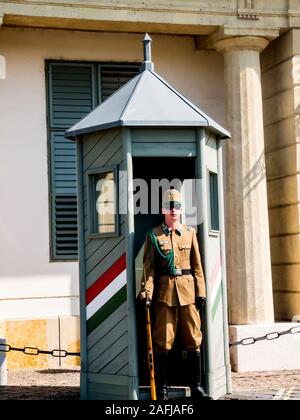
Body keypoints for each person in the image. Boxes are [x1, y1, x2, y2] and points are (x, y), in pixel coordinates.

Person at [140, 188, 210, 400]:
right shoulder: (154, 235)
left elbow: (197, 266)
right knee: (163, 341)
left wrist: (201, 292)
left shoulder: (189, 234)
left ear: (181, 210)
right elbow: (149, 269)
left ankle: (196, 387)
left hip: (188, 293)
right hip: (165, 295)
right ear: (163, 210)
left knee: (193, 339)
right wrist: (147, 293)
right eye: (170, 207)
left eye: (177, 207)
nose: (173, 211)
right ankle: (162, 389)